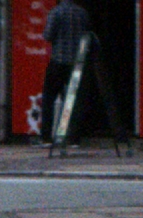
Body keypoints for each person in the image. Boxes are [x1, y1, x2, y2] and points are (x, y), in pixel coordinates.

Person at [40, 0, 90, 144]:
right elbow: (87, 36)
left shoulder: (56, 12)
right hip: (76, 63)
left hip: (58, 61)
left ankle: (46, 137)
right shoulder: (82, 13)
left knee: (49, 99)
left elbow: (48, 35)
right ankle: (73, 138)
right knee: (72, 99)